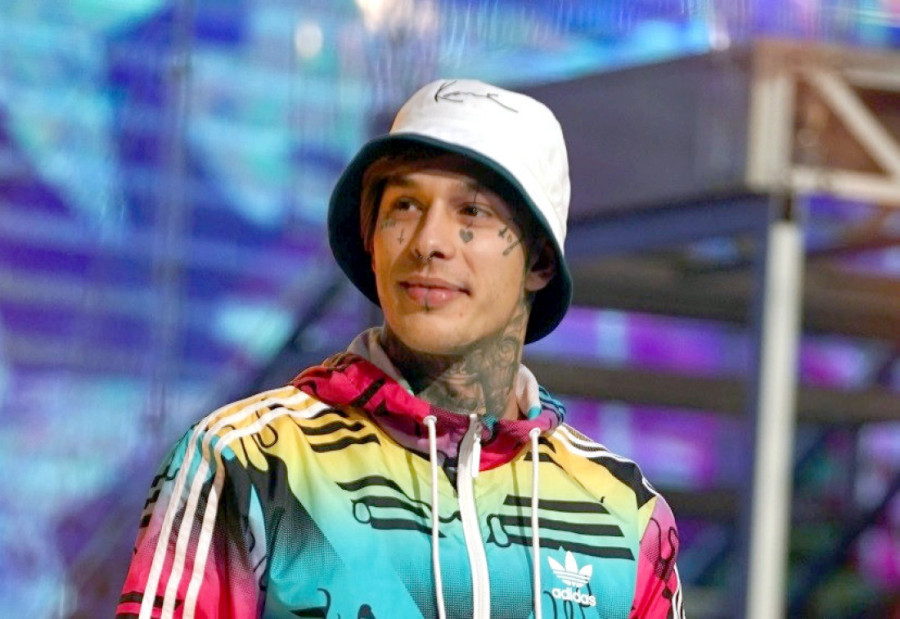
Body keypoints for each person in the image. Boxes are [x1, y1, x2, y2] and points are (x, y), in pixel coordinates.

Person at [117, 79, 683, 619]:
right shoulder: (249, 460)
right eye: (405, 206)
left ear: (538, 260)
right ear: (370, 238)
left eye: (472, 211)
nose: (428, 242)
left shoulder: (626, 515)